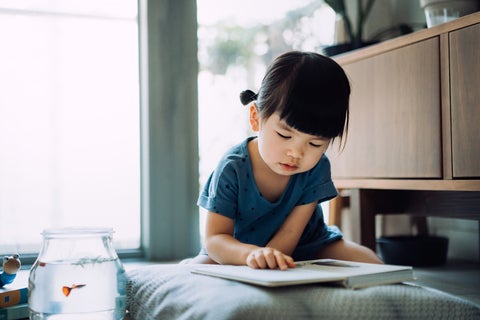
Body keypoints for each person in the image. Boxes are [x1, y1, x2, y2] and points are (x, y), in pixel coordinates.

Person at [189, 51, 382, 270]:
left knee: (373, 264)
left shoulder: (316, 168)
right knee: (194, 271)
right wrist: (254, 255)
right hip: (238, 249)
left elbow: (291, 233)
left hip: (307, 243)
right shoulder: (233, 167)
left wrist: (274, 258)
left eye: (315, 144)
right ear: (256, 118)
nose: (296, 153)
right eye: (284, 135)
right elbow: (215, 239)